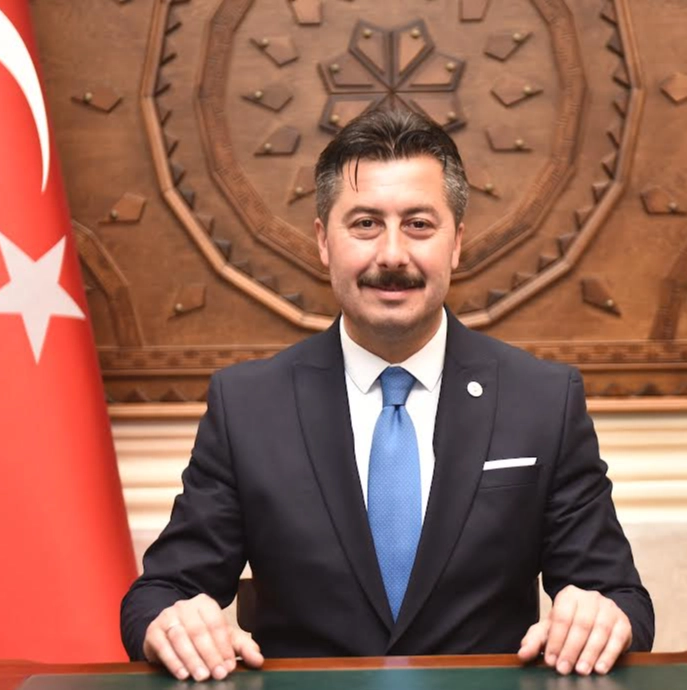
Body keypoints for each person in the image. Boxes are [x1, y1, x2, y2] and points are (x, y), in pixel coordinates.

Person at [120, 108, 654, 682]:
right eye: (365, 224)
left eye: (419, 224)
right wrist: (172, 621)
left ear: (456, 243)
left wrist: (603, 614)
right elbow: (160, 593)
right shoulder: (247, 406)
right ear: (324, 242)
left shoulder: (543, 399)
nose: (393, 254)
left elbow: (620, 596)